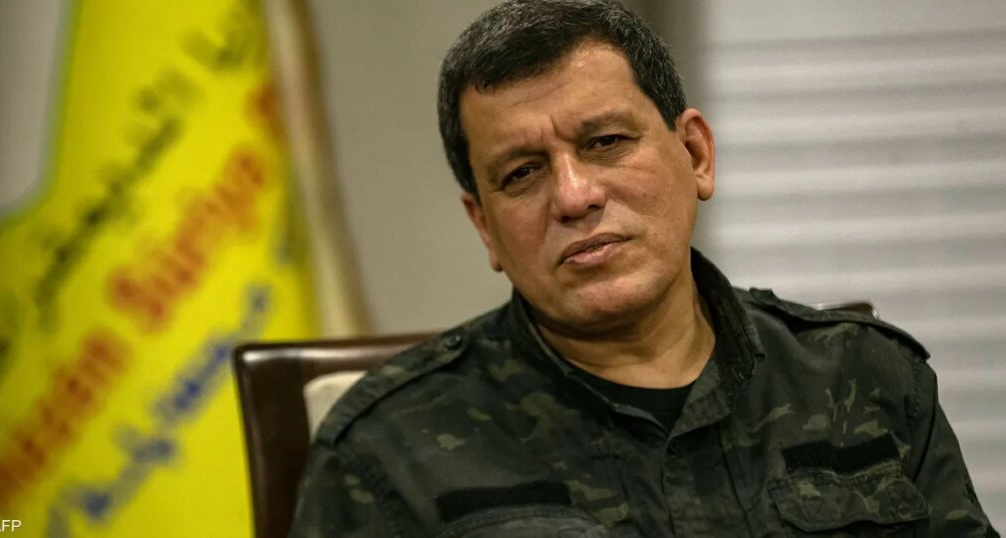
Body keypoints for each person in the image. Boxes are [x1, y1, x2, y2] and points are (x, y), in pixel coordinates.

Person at [289, 1, 998, 536]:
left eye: (605, 141)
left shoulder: (865, 378)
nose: (573, 196)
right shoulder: (385, 453)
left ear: (696, 155)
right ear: (485, 226)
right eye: (522, 173)